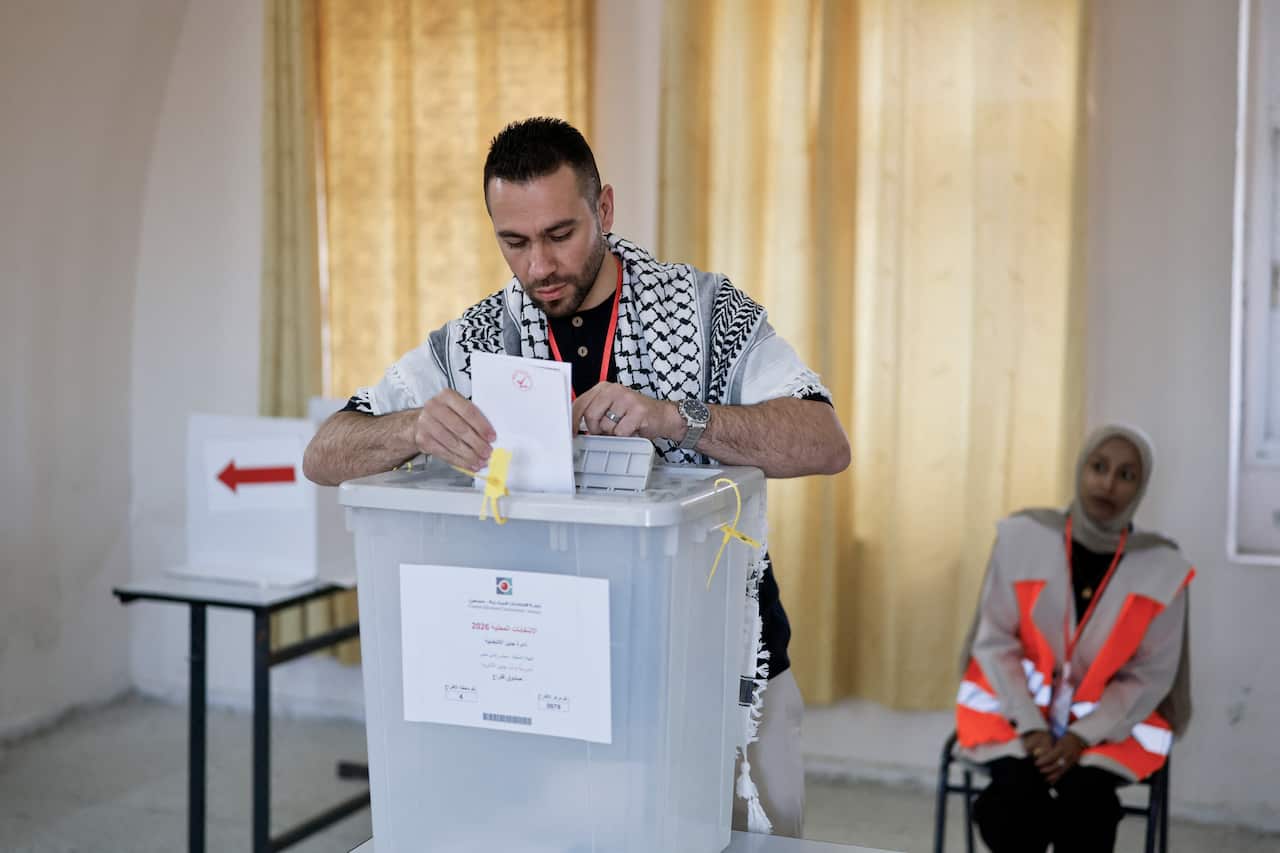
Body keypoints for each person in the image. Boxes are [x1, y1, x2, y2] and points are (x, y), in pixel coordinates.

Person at [303, 116, 851, 837]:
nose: (539, 267)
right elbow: (323, 453)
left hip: (714, 671)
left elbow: (824, 439)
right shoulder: (475, 341)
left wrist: (675, 417)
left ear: (606, 210)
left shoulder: (704, 310)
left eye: (561, 234)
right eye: (515, 242)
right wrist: (411, 429)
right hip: (540, 681)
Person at [953, 424, 1194, 853]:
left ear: (1140, 488)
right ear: (1080, 468)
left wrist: (1080, 737)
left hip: (1109, 731)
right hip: (1013, 717)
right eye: (1098, 467)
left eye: (1125, 475)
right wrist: (1031, 728)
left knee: (1088, 808)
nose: (1107, 483)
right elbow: (995, 643)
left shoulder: (1162, 568)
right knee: (1011, 804)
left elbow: (1150, 675)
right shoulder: (1024, 538)